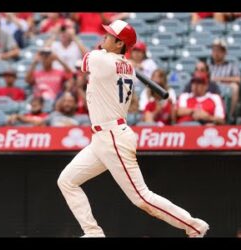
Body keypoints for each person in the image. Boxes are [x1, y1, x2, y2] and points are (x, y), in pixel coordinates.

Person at [57, 20, 209, 238]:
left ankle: (194, 227)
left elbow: (84, 59)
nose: (103, 38)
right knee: (67, 180)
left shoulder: (103, 60)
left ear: (120, 44)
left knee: (142, 198)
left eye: (109, 36)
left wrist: (74, 36)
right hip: (102, 138)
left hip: (112, 137)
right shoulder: (127, 67)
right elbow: (107, 63)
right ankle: (93, 233)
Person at [209, 38, 241, 118]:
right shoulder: (208, 66)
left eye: (219, 51)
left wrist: (220, 79)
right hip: (210, 88)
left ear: (224, 52)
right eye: (214, 51)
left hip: (225, 88)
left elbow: (238, 79)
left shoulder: (231, 66)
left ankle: (230, 115)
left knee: (235, 87)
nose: (216, 53)